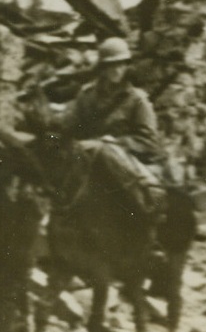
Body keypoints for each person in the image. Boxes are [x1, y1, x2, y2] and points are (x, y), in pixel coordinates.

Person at [30, 36, 167, 216]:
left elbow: (149, 143)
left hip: (125, 163)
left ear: (127, 66)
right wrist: (49, 123)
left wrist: (115, 143)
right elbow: (71, 124)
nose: (116, 70)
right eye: (111, 65)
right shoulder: (88, 95)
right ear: (103, 67)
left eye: (121, 64)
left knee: (144, 200)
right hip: (89, 160)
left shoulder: (137, 100)